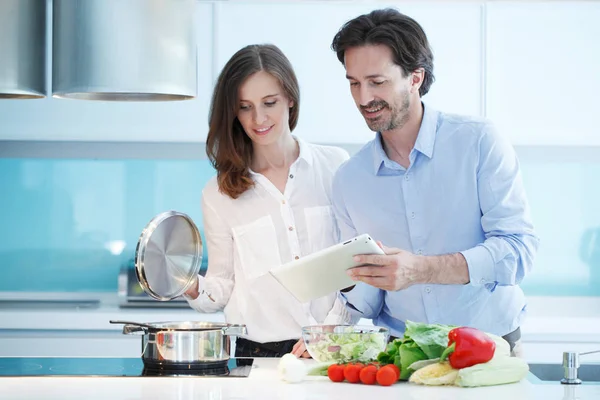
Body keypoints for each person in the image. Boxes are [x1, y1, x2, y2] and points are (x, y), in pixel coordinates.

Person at [329, 8, 540, 356]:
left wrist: (421, 270)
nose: (363, 98)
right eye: (354, 83)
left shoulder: (478, 142)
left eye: (377, 81)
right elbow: (367, 301)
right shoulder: (349, 180)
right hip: (403, 355)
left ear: (415, 78)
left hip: (490, 351)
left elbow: (518, 251)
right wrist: (349, 285)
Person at [183, 44, 352, 358]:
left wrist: (333, 327)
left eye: (269, 102)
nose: (258, 118)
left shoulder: (335, 166)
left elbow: (354, 265)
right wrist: (188, 283)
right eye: (244, 107)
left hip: (335, 347)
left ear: (290, 98)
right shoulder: (218, 192)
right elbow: (222, 285)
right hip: (258, 355)